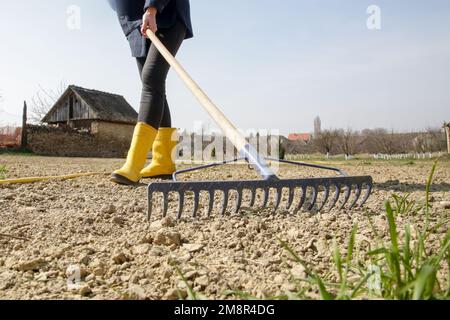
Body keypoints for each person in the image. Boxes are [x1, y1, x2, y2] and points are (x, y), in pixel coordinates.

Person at [108, 0, 193, 185]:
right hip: (136, 26)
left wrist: (152, 7)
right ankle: (163, 162)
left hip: (165, 15)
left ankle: (134, 164)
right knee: (154, 86)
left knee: (151, 79)